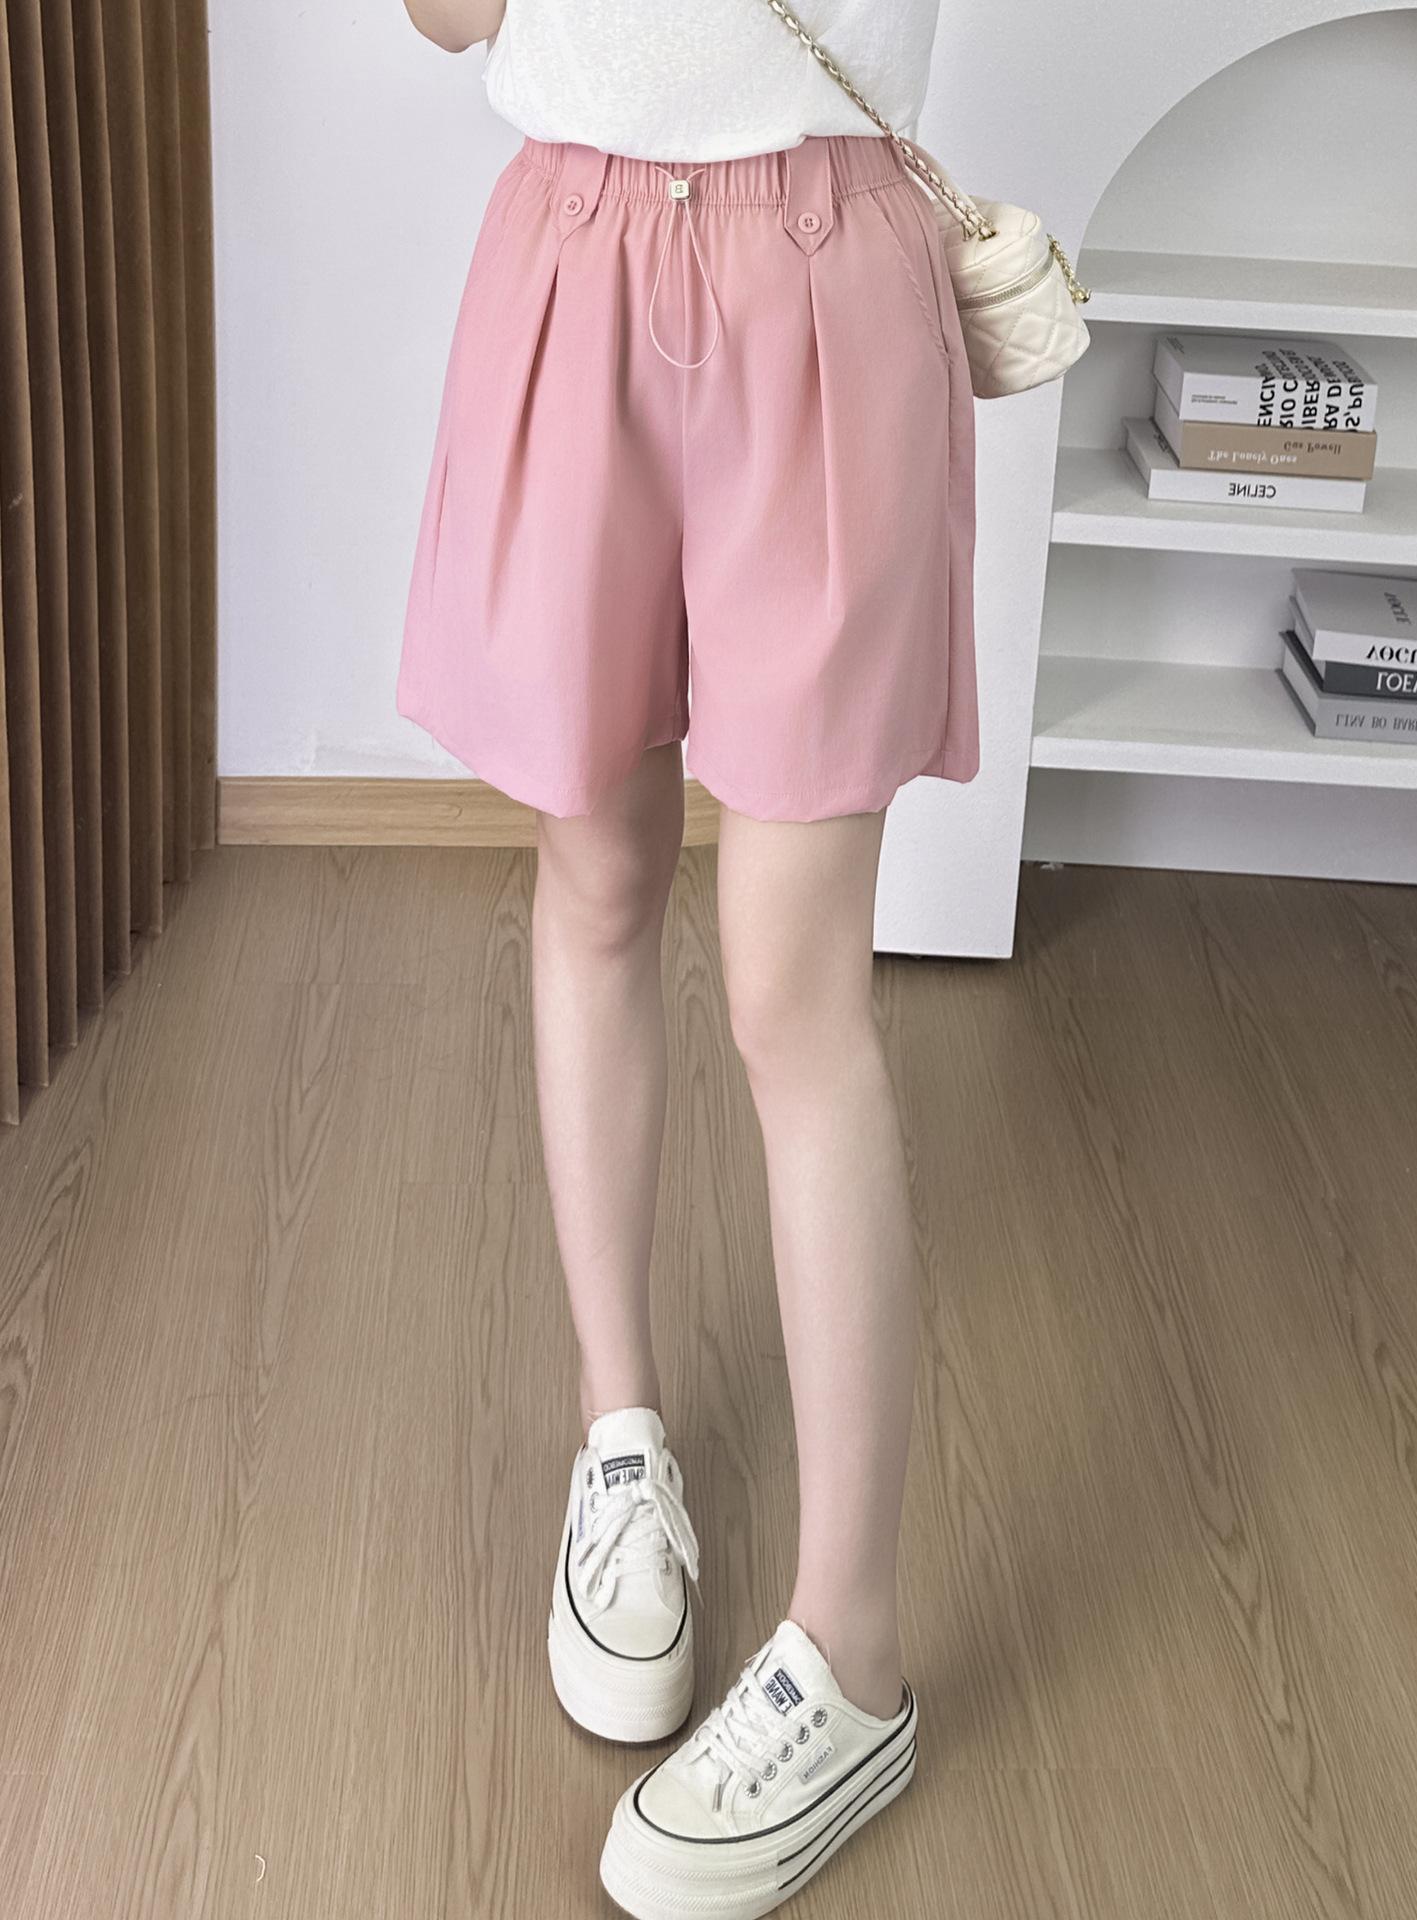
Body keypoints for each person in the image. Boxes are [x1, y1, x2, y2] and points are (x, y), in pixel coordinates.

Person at [397, 2, 979, 1913]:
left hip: (823, 260)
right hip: (574, 251)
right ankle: (621, 1437)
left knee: (797, 990)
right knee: (595, 882)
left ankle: (853, 1658)